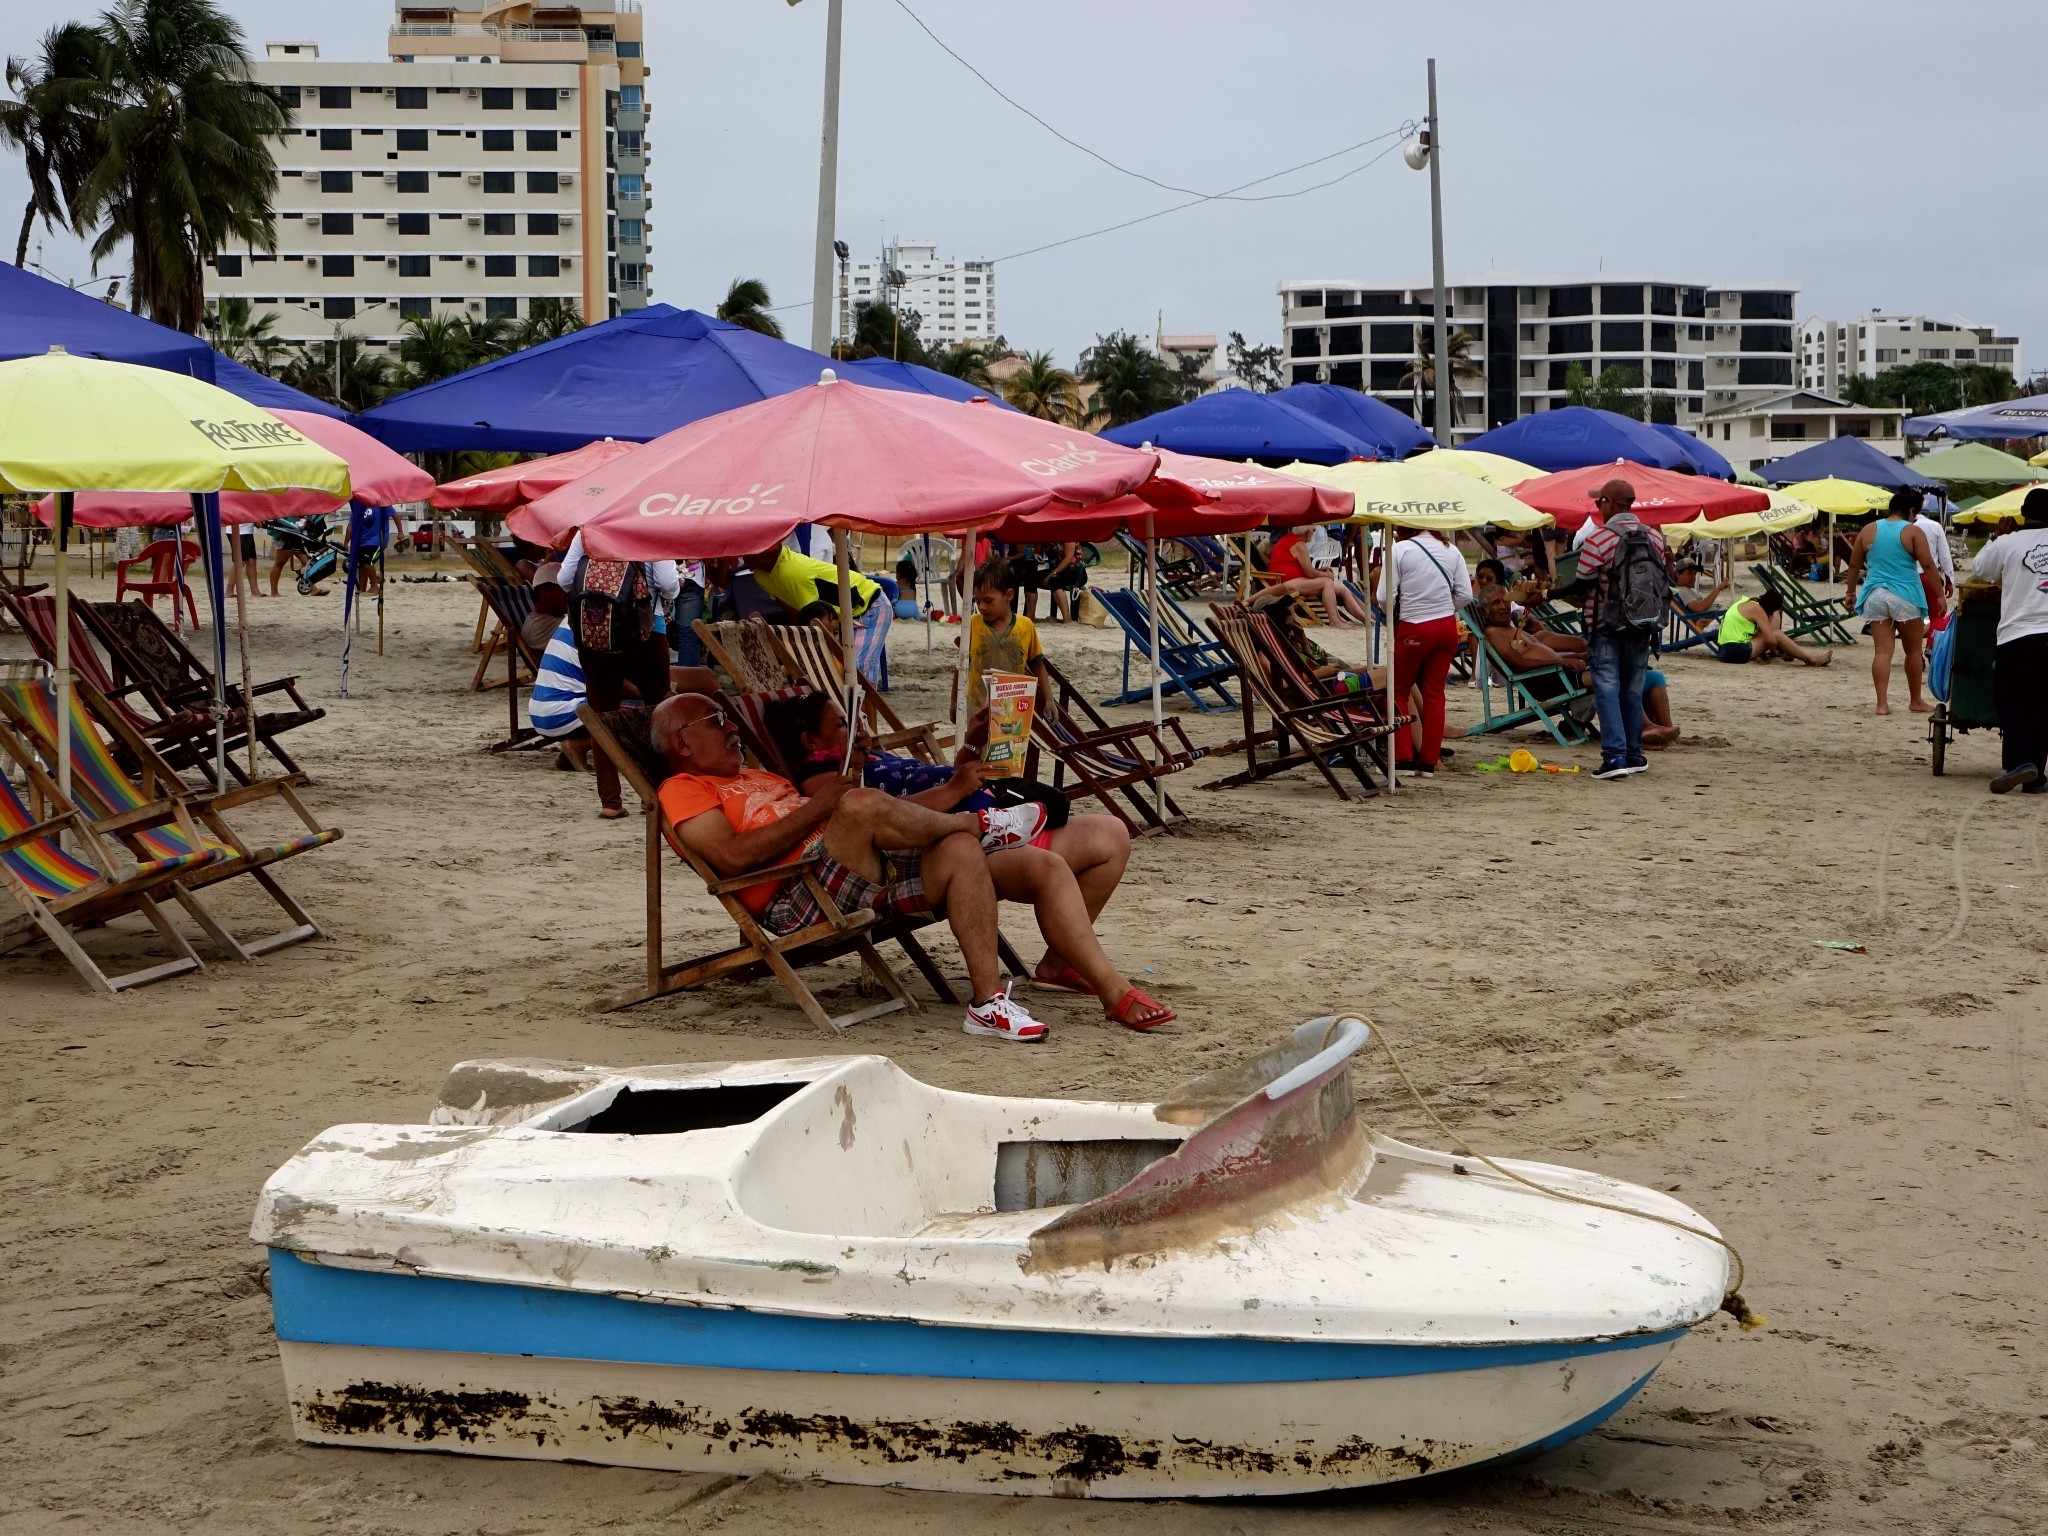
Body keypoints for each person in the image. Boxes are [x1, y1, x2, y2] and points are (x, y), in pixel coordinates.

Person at [653, 694, 1173, 1038]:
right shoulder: (681, 790)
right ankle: (980, 826)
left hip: (860, 866)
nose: (730, 729)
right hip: (800, 893)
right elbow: (730, 859)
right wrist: (825, 805)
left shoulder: (759, 775)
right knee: (858, 803)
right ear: (680, 742)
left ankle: (1001, 1003)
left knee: (984, 857)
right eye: (714, 722)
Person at [1556, 479, 1672, 781]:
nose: (1598, 508)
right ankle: (1634, 755)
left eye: (1599, 502)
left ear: (1610, 503)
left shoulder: (1600, 539)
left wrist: (1551, 594)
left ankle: (1614, 757)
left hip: (1605, 624)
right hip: (1642, 625)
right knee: (1632, 690)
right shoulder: (1654, 538)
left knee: (1606, 689)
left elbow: (1583, 583)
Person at [561, 529, 679, 818]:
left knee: (602, 715)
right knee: (658, 709)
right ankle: (654, 793)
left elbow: (564, 579)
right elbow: (668, 583)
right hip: (646, 632)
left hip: (595, 634)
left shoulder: (587, 532)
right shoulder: (650, 531)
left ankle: (610, 802)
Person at [1962, 487, 2048, 794]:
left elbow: (1982, 570)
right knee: (2042, 704)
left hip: (2017, 635)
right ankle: (2036, 777)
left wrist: (1996, 536)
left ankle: (2022, 761)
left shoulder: (2009, 542)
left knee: (2010, 700)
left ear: (2023, 514)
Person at [1845, 489, 1942, 716]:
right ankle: (1915, 700)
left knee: (1882, 653)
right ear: (1911, 510)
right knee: (1912, 651)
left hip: (1875, 595)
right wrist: (1939, 595)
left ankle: (1882, 704)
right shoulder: (1912, 532)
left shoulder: (1869, 529)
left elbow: (1853, 565)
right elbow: (1928, 565)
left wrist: (1850, 592)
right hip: (1906, 595)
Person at [1384, 525, 1471, 774]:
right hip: (1446, 627)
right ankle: (1429, 760)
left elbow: (1384, 596)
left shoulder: (1400, 550)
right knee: (1435, 693)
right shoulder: (1452, 550)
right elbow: (1465, 594)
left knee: (1398, 689)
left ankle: (1402, 757)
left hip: (1414, 625)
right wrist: (1442, 608)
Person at [746, 537, 892, 681]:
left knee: (859, 668)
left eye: (748, 553)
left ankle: (863, 704)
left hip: (870, 607)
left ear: (763, 555)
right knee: (837, 669)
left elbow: (816, 618)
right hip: (841, 615)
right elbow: (790, 608)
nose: (742, 556)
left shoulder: (792, 573)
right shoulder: (761, 574)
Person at [962, 557, 1051, 716]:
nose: (981, 607)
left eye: (988, 601)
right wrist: (955, 701)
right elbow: (961, 665)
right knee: (975, 742)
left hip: (1012, 709)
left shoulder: (1025, 627)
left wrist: (1049, 700)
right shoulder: (973, 624)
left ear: (1008, 595)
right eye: (977, 601)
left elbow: (1037, 665)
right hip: (978, 709)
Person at [1263, 526, 1371, 628]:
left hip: (1293, 579)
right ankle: (1335, 620)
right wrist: (1326, 575)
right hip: (1286, 582)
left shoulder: (1290, 540)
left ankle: (1367, 618)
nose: (1313, 533)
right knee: (1326, 582)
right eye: (1313, 530)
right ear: (1307, 532)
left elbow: (1305, 569)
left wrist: (1320, 571)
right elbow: (1310, 573)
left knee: (1343, 589)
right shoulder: (1298, 544)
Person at [1714, 589, 1832, 667]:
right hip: (1735, 651)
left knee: (1767, 633)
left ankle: (1806, 657)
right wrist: (1775, 652)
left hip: (1723, 651)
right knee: (1776, 634)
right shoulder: (1758, 610)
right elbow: (1771, 640)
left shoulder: (1746, 602)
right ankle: (1810, 659)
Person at [1913, 500, 1956, 627]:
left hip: (1908, 577)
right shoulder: (1934, 526)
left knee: (1912, 617)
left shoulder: (1901, 526)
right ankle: (1932, 645)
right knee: (1936, 615)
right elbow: (1945, 556)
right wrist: (1949, 580)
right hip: (1930, 577)